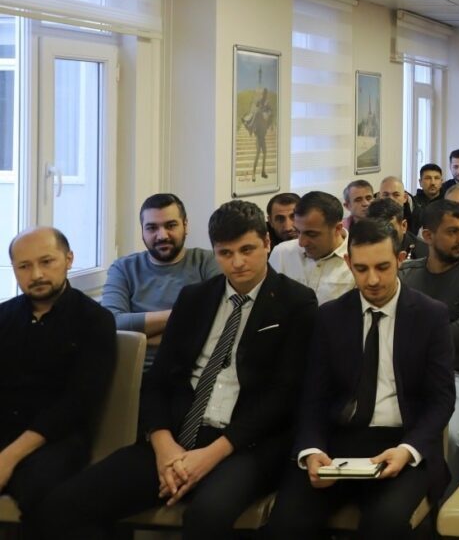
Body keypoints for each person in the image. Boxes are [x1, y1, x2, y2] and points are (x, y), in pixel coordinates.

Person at [42, 202, 317, 540]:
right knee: (63, 505)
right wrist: (164, 447)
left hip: (244, 443)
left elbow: (282, 398)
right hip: (176, 435)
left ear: (267, 243)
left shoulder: (296, 302)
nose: (237, 262)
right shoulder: (195, 298)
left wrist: (208, 456)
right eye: (225, 253)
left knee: (207, 516)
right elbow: (158, 381)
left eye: (247, 250)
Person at [265, 219, 455, 539]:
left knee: (384, 523)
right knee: (286, 523)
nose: (373, 280)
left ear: (400, 259)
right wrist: (312, 449)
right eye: (362, 269)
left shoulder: (430, 315)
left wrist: (408, 449)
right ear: (348, 263)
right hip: (339, 444)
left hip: (402, 441)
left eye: (382, 267)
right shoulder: (331, 316)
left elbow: (441, 400)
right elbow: (314, 397)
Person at [2, 227, 115, 530]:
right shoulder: (4, 317)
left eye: (46, 261)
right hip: (5, 428)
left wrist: (9, 457)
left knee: (43, 493)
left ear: (69, 259)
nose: (36, 274)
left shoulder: (95, 320)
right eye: (24, 266)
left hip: (58, 440)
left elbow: (78, 403)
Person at [399, 200, 459, 496]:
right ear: (428, 236)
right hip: (402, 374)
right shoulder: (406, 274)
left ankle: (448, 505)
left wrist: (413, 344)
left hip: (455, 375)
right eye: (453, 231)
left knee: (449, 436)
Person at [102, 193, 220, 368]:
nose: (162, 235)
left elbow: (220, 319)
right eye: (152, 228)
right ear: (142, 231)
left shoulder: (207, 261)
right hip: (137, 373)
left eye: (171, 225)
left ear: (185, 225)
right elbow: (112, 322)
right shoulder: (123, 268)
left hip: (194, 372)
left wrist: (141, 335)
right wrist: (188, 315)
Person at [270, 191, 353, 304]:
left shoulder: (358, 261)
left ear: (337, 229)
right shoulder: (281, 253)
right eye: (298, 231)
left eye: (311, 234)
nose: (301, 243)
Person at [242, 87, 273, 182]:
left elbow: (270, 112)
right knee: (258, 154)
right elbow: (255, 107)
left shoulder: (267, 104)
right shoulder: (260, 104)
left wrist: (268, 115)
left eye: (265, 94)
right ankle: (253, 174)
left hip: (263, 135)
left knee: (265, 153)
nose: (264, 95)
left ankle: (263, 171)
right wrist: (259, 106)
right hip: (259, 136)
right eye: (263, 93)